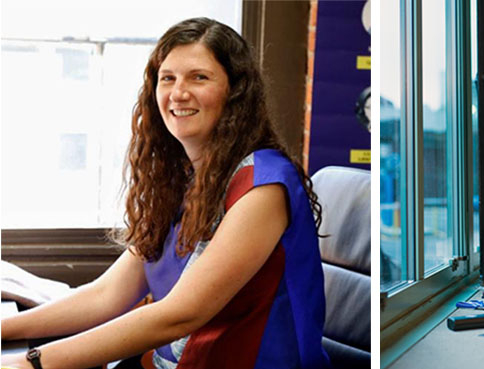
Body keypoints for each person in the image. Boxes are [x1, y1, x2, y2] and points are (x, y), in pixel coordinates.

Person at [1, 17, 331, 369]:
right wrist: (5, 329)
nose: (178, 93)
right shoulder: (183, 179)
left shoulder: (263, 185)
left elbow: (180, 315)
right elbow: (106, 296)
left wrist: (32, 363)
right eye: (167, 78)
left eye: (199, 77)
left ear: (236, 92)